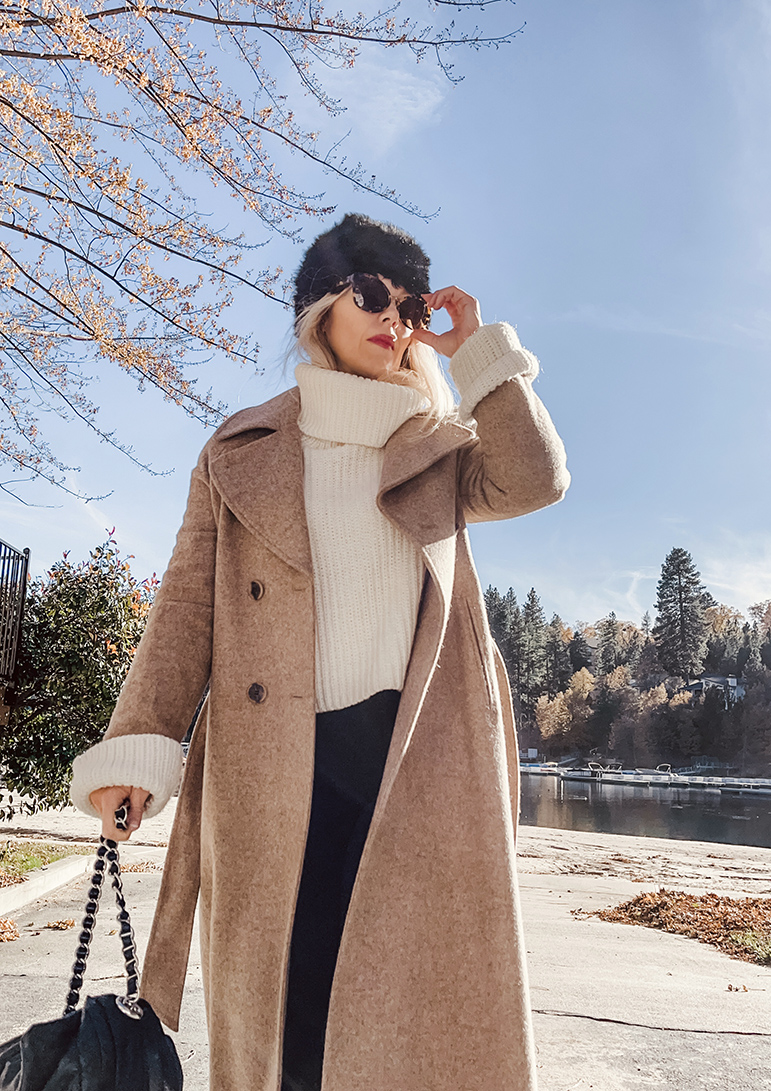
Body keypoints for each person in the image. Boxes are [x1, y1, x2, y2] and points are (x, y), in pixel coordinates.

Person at [69, 213, 570, 1091]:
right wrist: (139, 744)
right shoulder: (240, 451)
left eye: (411, 305)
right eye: (372, 294)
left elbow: (536, 478)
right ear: (318, 309)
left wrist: (479, 348)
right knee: (290, 1014)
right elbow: (186, 609)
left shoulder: (441, 447)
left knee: (401, 1009)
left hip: (411, 760)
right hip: (276, 763)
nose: (396, 320)